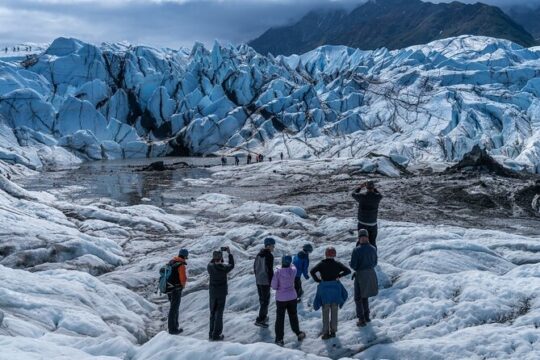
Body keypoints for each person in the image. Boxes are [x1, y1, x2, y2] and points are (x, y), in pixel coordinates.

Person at [311, 247, 351, 339]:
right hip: (335, 290)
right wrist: (339, 275)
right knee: (334, 311)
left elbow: (312, 271)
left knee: (325, 312)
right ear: (334, 254)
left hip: (325, 290)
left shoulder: (321, 264)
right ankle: (333, 331)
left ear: (326, 254)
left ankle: (325, 333)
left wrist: (317, 280)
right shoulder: (337, 264)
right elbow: (348, 271)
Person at [271, 255, 306, 346]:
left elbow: (274, 286)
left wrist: (278, 268)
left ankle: (279, 339)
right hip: (292, 297)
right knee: (293, 316)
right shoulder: (293, 270)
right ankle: (298, 332)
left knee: (280, 319)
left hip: (281, 298)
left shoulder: (277, 272)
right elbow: (293, 265)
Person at [350, 233, 378, 327]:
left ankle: (361, 319)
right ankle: (367, 316)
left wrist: (351, 264)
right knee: (365, 296)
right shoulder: (373, 248)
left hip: (360, 275)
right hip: (370, 274)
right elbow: (375, 262)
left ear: (360, 238)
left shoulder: (356, 250)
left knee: (358, 298)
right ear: (367, 237)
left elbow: (354, 265)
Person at [207, 247, 235, 341]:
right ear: (221, 258)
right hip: (221, 293)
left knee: (212, 313)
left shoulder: (210, 267)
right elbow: (232, 265)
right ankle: (216, 335)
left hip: (212, 293)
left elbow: (211, 262)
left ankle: (211, 333)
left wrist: (216, 256)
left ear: (214, 258)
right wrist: (229, 253)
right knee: (219, 314)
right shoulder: (224, 268)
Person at [352, 180, 382, 247]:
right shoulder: (377, 197)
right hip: (372, 223)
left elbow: (353, 194)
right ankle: (373, 256)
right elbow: (380, 195)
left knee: (361, 241)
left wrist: (360, 187)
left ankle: (358, 254)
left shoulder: (362, 196)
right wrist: (375, 189)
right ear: (373, 187)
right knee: (372, 242)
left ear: (366, 187)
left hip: (362, 223)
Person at [253, 237, 276, 328]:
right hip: (265, 281)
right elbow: (269, 270)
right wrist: (272, 282)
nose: (273, 247)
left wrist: (257, 277)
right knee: (265, 301)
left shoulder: (259, 254)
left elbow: (254, 267)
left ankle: (264, 316)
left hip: (259, 280)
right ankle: (260, 319)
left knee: (262, 299)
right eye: (273, 245)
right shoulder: (269, 256)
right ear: (269, 245)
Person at [167, 248, 189, 335]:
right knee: (174, 309)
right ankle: (173, 329)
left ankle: (175, 326)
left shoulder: (171, 261)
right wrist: (182, 286)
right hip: (176, 289)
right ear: (185, 256)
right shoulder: (181, 265)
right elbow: (183, 279)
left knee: (173, 308)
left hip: (169, 288)